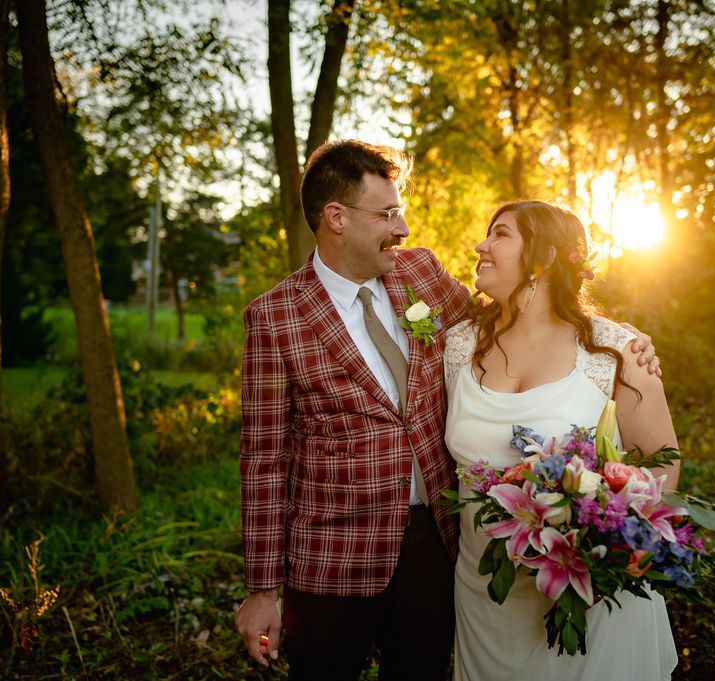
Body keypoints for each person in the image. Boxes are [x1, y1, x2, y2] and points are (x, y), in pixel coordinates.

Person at [235, 140, 660, 681]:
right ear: (336, 217)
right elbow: (263, 460)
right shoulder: (274, 317)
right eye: (387, 213)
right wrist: (262, 588)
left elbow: (521, 317)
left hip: (438, 547)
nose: (403, 227)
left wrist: (617, 339)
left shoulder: (423, 276)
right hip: (331, 557)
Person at [443, 200, 680, 681]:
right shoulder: (458, 344)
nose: (480, 245)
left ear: (544, 258)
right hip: (485, 596)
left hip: (586, 595)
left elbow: (662, 464)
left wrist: (604, 535)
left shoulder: (615, 350)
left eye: (501, 234)